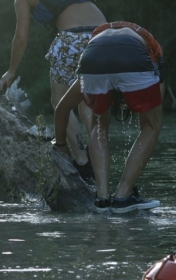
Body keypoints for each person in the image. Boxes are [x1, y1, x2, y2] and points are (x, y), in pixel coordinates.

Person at [0, 0, 112, 177]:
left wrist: (12, 70)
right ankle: (100, 164)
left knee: (62, 102)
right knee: (87, 102)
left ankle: (82, 160)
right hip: (105, 37)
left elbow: (21, 38)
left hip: (72, 40)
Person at [53, 22, 164, 213]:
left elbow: (61, 108)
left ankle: (102, 198)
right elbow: (155, 105)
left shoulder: (98, 44)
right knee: (151, 126)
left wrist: (61, 145)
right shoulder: (151, 48)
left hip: (90, 59)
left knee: (98, 123)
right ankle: (123, 196)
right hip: (133, 57)